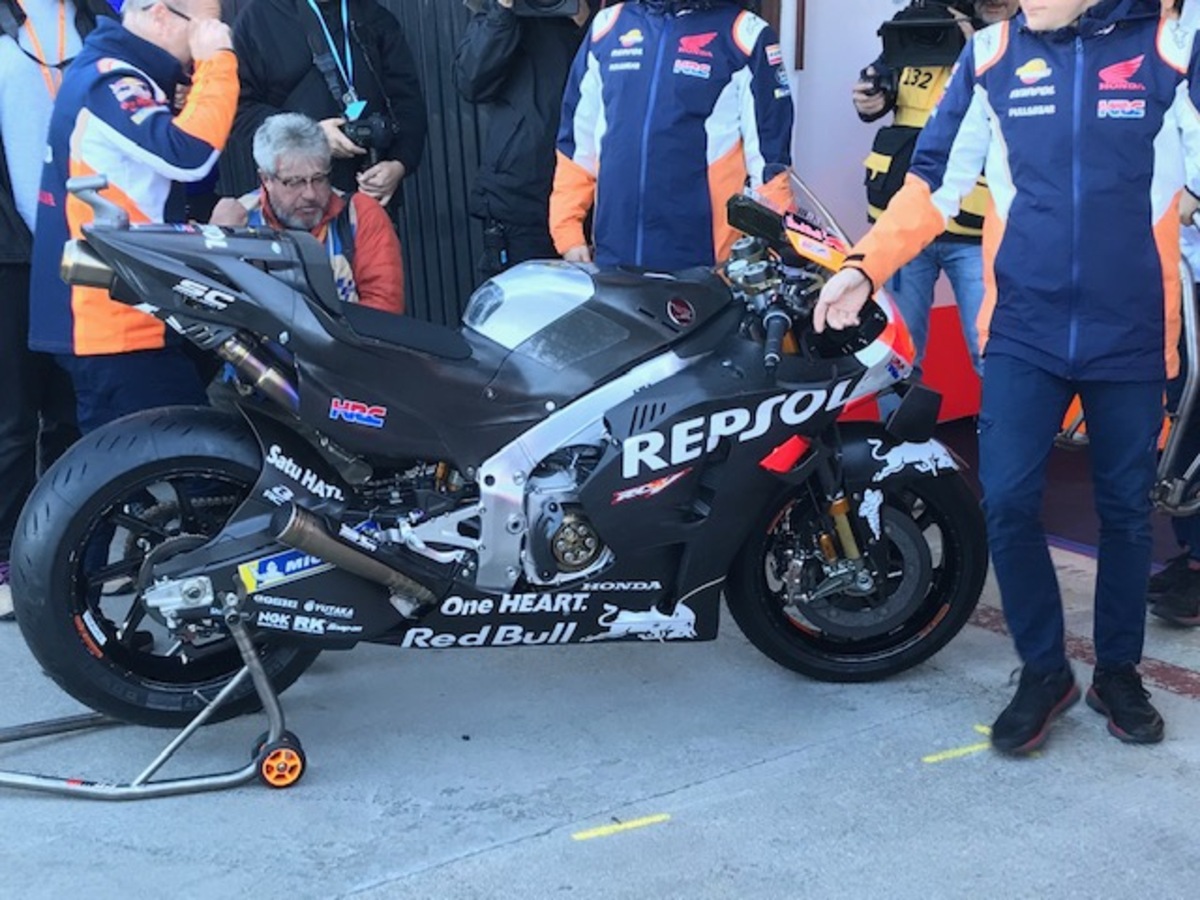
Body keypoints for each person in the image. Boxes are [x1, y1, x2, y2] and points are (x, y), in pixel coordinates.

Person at [814, 0, 1200, 753]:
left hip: (1131, 332)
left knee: (1126, 513)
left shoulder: (1171, 48)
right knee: (1011, 502)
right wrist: (865, 268)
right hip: (1024, 328)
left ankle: (1118, 672)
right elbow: (933, 182)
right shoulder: (990, 55)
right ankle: (1044, 670)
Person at [28, 0, 237, 436]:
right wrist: (217, 62)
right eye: (206, 26)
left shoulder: (122, 74)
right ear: (160, 14)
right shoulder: (109, 80)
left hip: (128, 312)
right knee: (187, 461)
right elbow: (190, 155)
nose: (213, 36)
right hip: (113, 325)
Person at [0, 0, 113, 620]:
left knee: (78, 411)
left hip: (89, 246)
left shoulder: (97, 25)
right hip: (11, 255)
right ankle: (5, 559)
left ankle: (74, 554)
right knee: (13, 419)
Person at [549, 0, 794, 271]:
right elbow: (577, 144)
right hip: (614, 257)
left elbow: (769, 162)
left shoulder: (745, 33)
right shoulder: (608, 25)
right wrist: (567, 231)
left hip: (706, 265)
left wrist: (772, 249)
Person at [853, 0, 1018, 377]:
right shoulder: (918, 26)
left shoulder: (1020, 44)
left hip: (980, 234)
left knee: (991, 350)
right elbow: (877, 88)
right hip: (905, 226)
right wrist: (868, 98)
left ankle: (1000, 419)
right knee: (897, 355)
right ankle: (898, 419)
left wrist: (976, 46)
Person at [216, 0, 426, 215]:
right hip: (296, 200)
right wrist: (310, 135)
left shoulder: (373, 15)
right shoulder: (257, 19)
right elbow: (237, 109)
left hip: (369, 193)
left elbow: (407, 102)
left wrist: (399, 164)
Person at [453, 0, 592, 284]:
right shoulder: (509, 13)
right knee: (521, 304)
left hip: (594, 197)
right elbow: (470, 81)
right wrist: (503, 11)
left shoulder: (608, 16)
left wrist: (587, 24)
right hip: (521, 199)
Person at [211, 112, 404, 313]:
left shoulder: (360, 214)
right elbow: (215, 310)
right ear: (266, 179)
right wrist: (219, 243)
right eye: (295, 182)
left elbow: (384, 310)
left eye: (319, 179)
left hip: (350, 334)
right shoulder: (238, 221)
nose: (310, 194)